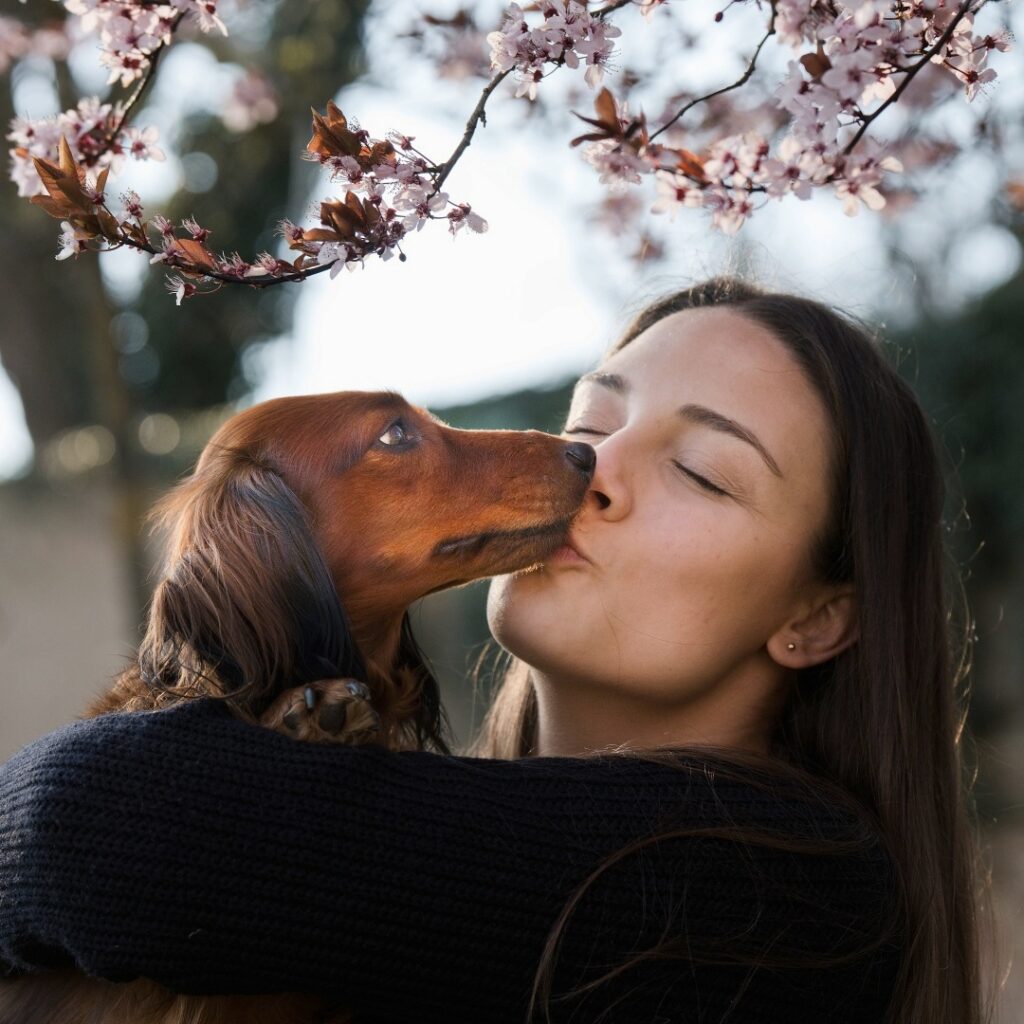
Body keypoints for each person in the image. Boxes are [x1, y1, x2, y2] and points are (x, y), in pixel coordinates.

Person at [0, 276, 990, 1023]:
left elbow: (107, 827)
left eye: (700, 471)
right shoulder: (414, 836)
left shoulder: (792, 890)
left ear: (815, 617)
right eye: (591, 420)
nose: (589, 468)